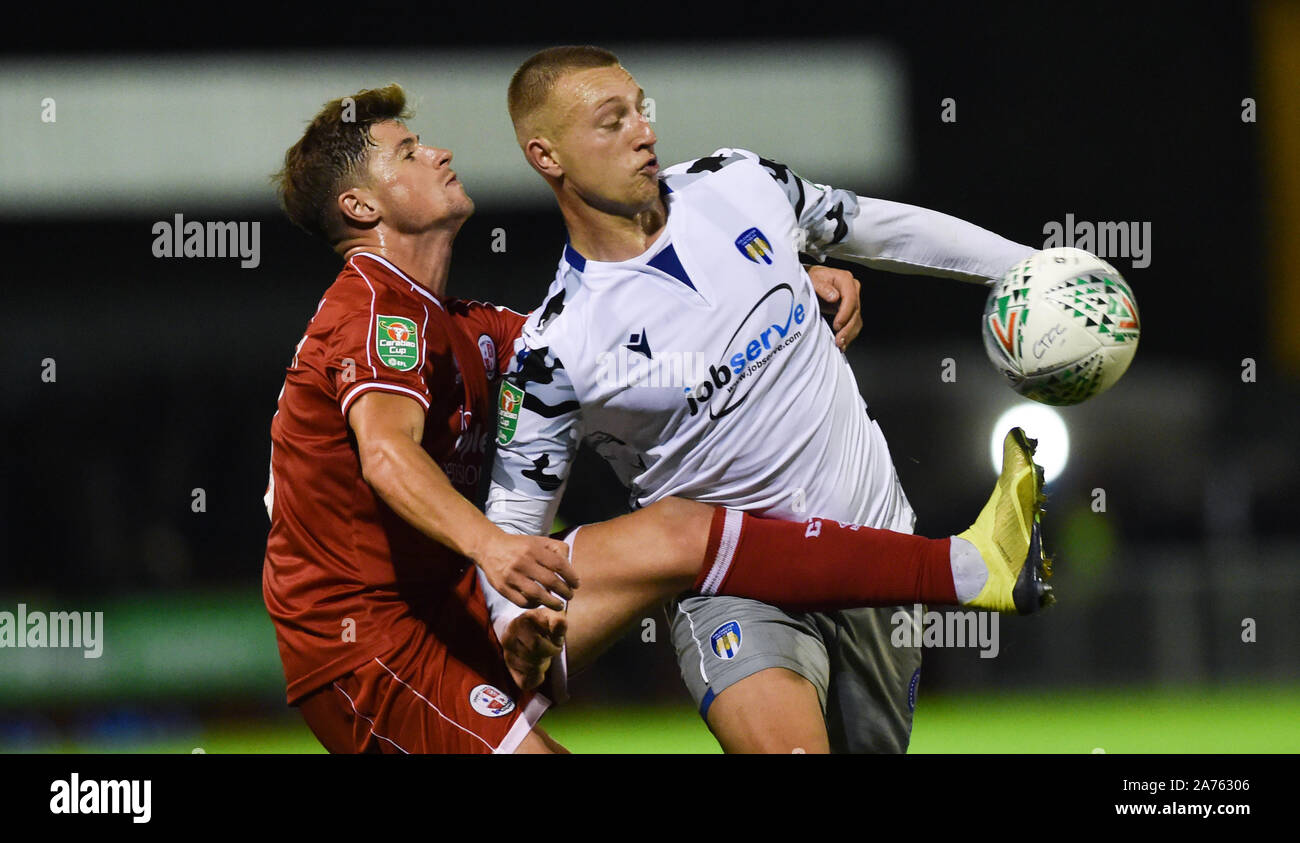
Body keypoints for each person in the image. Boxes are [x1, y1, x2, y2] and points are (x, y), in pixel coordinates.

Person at [262, 82, 1045, 755]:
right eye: (406, 152)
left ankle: (967, 567)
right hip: (368, 649)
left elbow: (604, 333)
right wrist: (493, 545)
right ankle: (964, 569)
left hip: (452, 602)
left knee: (677, 530)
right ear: (360, 205)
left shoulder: (463, 324)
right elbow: (386, 456)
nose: (435, 153)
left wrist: (778, 272)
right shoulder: (373, 309)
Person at [485, 46, 1050, 754]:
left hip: (880, 558)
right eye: (612, 121)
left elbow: (880, 226)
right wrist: (516, 624)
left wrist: (1030, 267)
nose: (644, 130)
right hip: (739, 593)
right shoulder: (554, 349)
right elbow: (508, 532)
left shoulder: (738, 183)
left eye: (640, 107)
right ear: (548, 156)